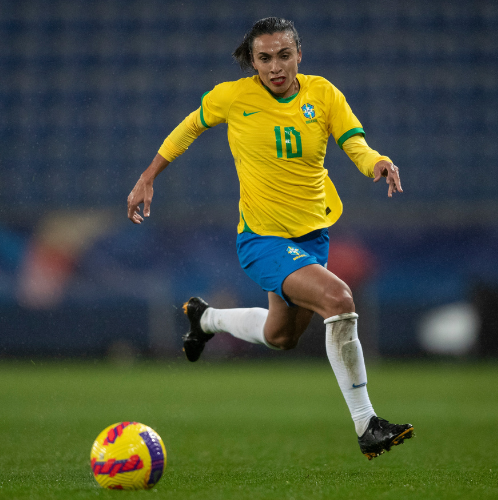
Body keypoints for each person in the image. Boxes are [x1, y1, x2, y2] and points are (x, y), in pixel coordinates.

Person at [126, 17, 413, 460]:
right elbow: (188, 128)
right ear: (252, 62)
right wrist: (148, 177)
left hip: (312, 235)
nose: (275, 66)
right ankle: (366, 424)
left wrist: (376, 161)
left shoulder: (324, 94)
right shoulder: (233, 97)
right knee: (338, 299)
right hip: (262, 239)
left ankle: (206, 320)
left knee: (281, 337)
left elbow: (353, 141)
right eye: (264, 58)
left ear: (299, 55)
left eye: (283, 55)